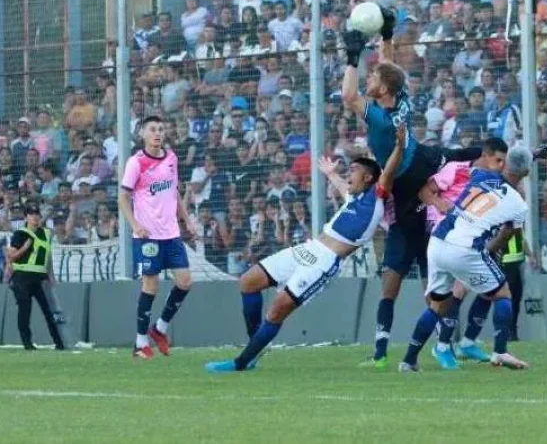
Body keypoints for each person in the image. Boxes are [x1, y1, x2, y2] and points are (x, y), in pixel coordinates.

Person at [341, 4, 481, 370]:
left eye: (374, 78)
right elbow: (389, 71)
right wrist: (386, 36)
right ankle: (411, 349)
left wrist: (352, 58)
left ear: (381, 90)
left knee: (406, 282)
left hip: (404, 182)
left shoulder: (377, 113)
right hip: (420, 163)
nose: (371, 80)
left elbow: (348, 96)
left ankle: (416, 348)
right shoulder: (400, 97)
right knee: (462, 155)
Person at [204, 125, 407, 373]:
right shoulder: (353, 196)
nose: (348, 173)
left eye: (353, 170)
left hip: (324, 262)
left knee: (277, 309)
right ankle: (254, 346)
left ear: (368, 178)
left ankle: (241, 363)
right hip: (307, 248)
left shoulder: (376, 195)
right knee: (248, 281)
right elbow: (341, 185)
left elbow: (388, 171)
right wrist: (331, 173)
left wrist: (398, 146)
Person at [398, 146, 536, 372]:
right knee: (502, 294)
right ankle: (500, 351)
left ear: (504, 163)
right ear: (527, 174)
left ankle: (409, 360)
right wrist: (489, 250)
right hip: (465, 248)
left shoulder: (479, 175)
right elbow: (507, 234)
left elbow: (480, 171)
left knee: (436, 305)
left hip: (438, 241)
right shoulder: (519, 205)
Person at [119, 115, 198, 359]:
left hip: (171, 234)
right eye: (152, 129)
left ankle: (159, 329)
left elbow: (174, 192)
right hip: (147, 237)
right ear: (142, 134)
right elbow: (123, 197)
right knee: (150, 285)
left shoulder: (171, 158)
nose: (157, 133)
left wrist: (188, 220)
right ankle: (140, 343)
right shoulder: (137, 162)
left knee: (185, 281)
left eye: (161, 129)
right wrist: (136, 224)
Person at [3, 203, 65, 351]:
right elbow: (11, 257)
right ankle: (27, 343)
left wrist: (51, 276)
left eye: (37, 214)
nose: (35, 217)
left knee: (49, 311)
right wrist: (24, 248)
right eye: (31, 214)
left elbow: (47, 256)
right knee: (25, 310)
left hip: (40, 278)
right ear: (26, 217)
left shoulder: (46, 233)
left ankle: (59, 343)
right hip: (22, 276)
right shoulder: (20, 233)